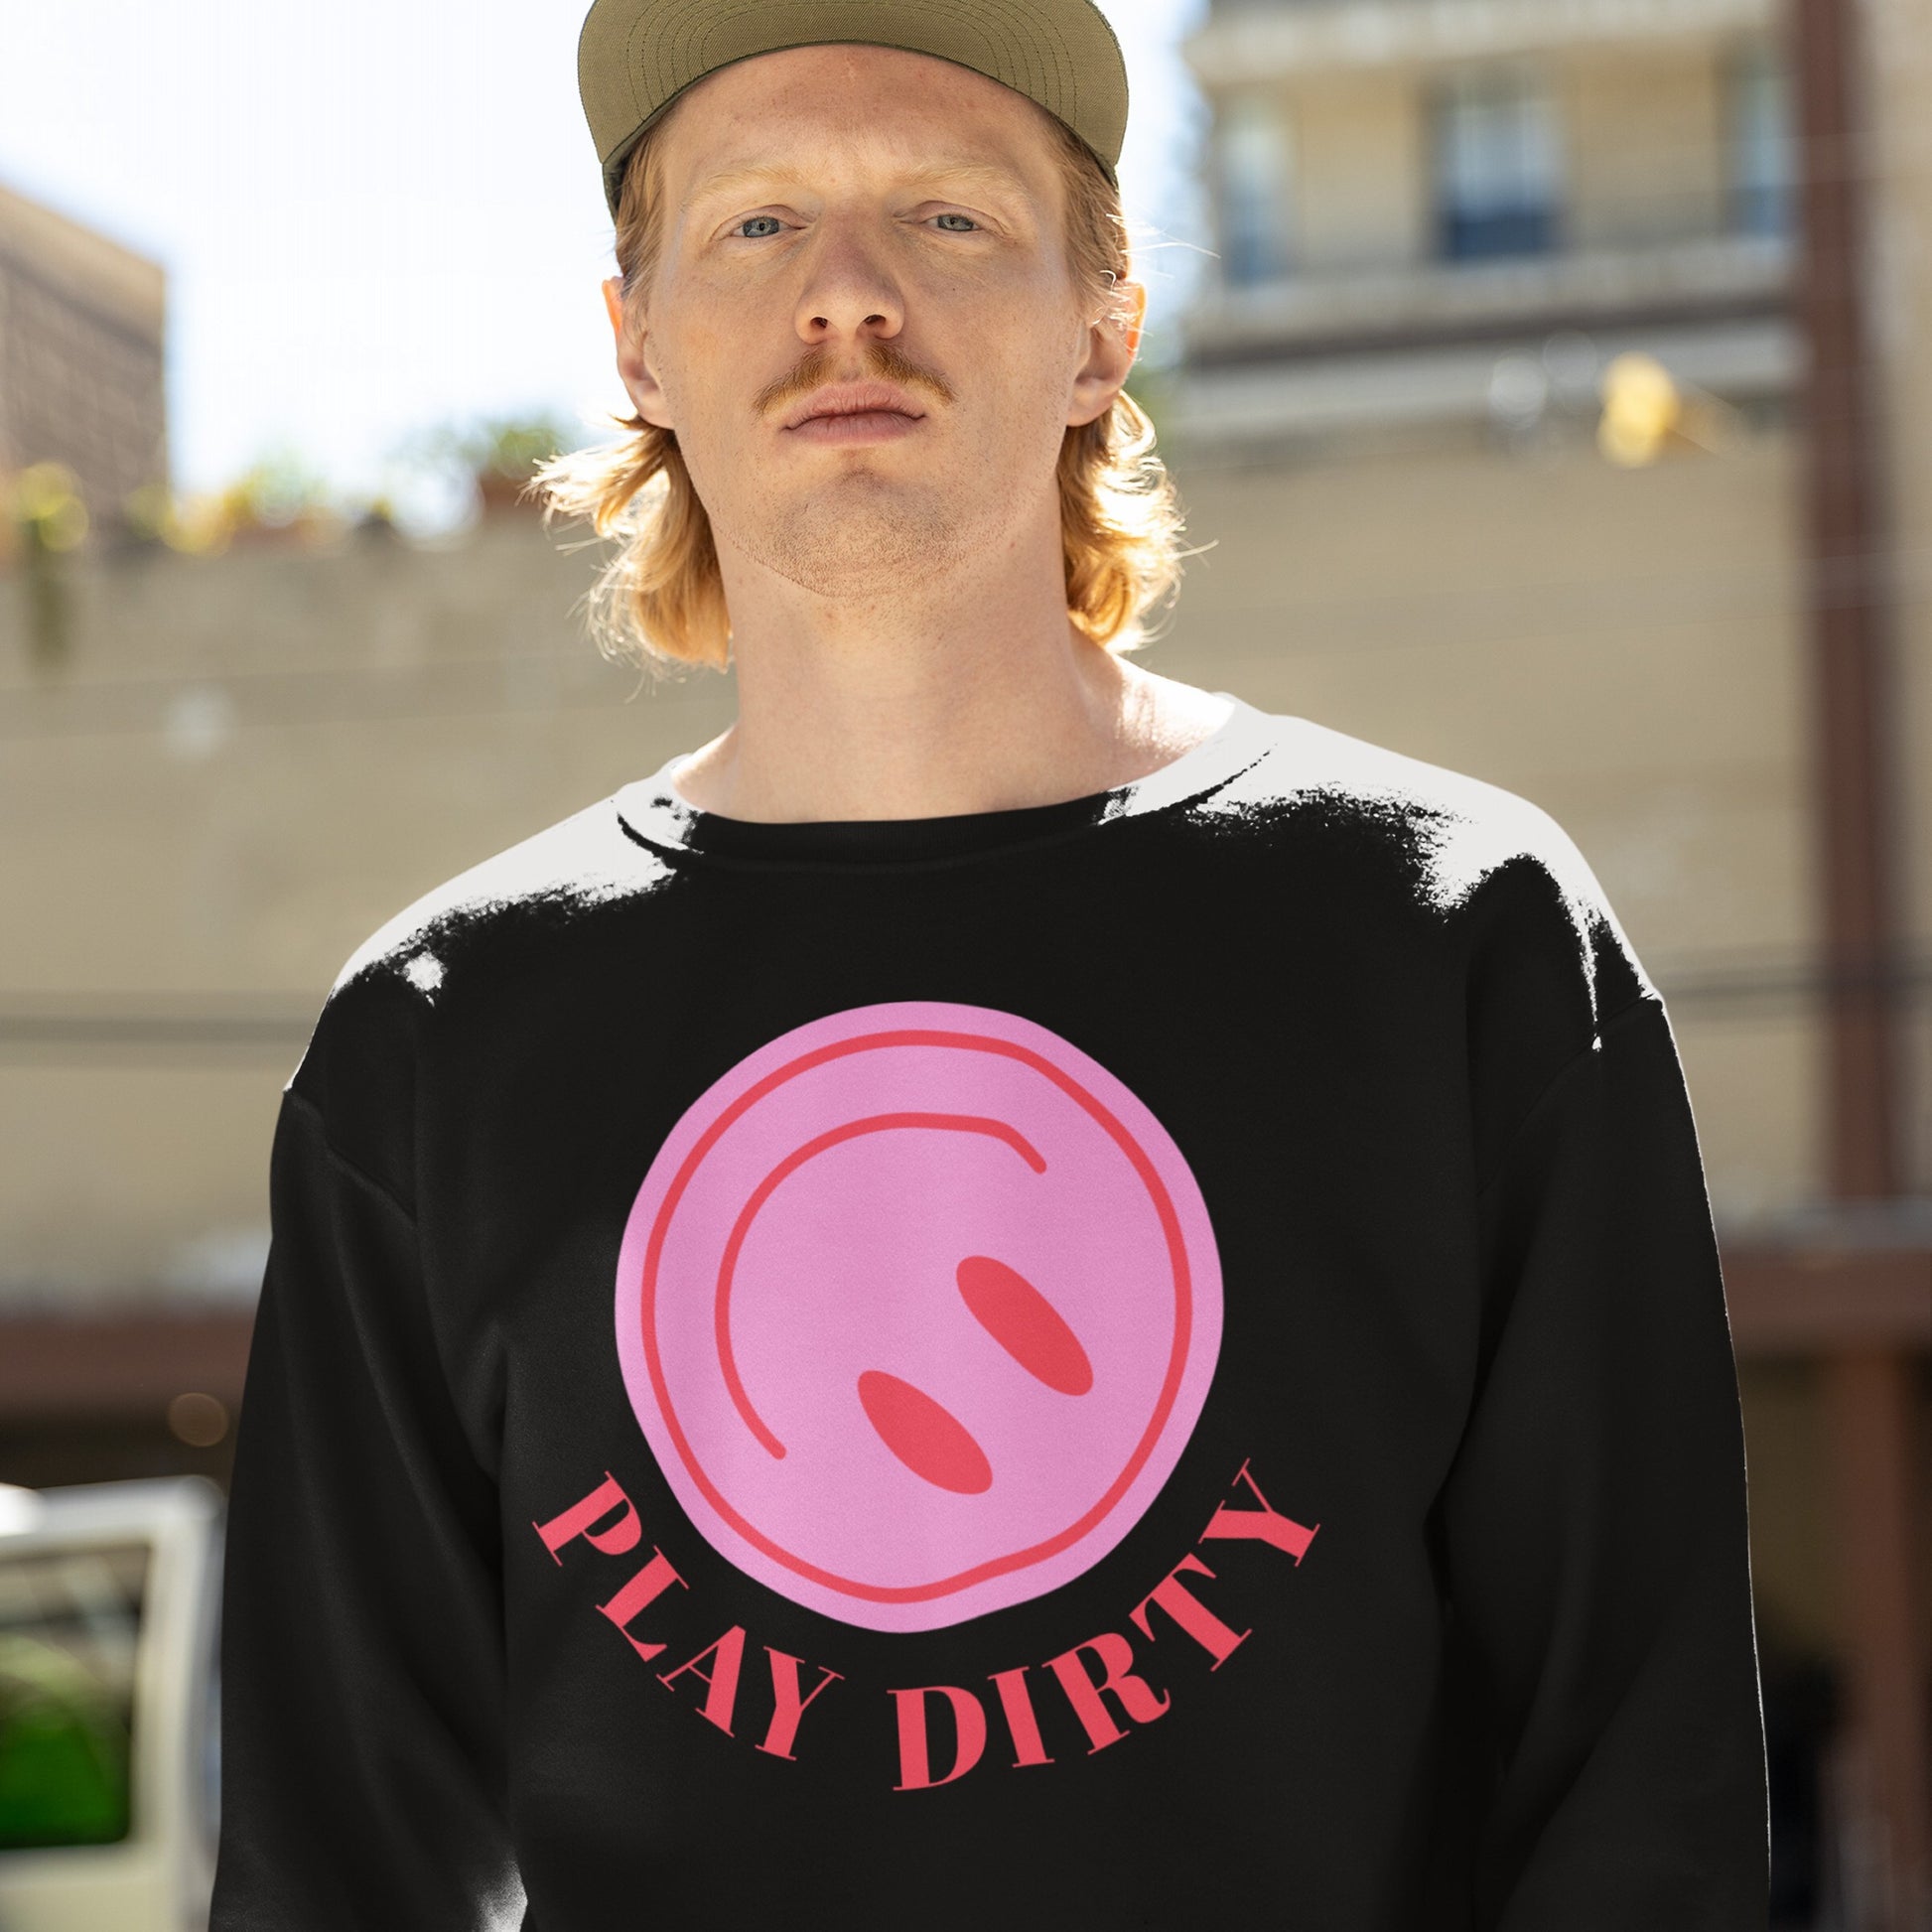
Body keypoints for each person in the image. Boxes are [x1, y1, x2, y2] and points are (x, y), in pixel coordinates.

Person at [207, 0, 1772, 1924]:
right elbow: (333, 1867)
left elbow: (1639, 1796)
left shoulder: (1457, 935)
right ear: (636, 340)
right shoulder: (436, 1050)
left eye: (945, 219)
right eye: (757, 225)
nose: (847, 296)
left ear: (1102, 320)